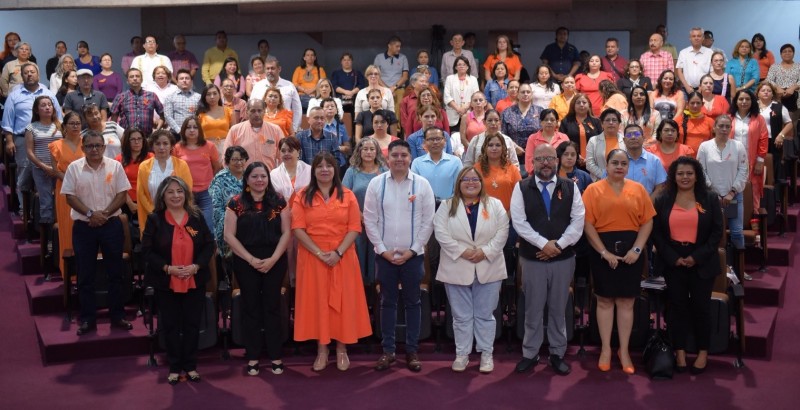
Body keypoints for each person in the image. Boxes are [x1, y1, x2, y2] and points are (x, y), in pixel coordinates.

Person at [292, 152, 372, 372]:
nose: (324, 169)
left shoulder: (348, 195)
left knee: (342, 304)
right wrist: (320, 253)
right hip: (312, 258)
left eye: (329, 166)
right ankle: (322, 350)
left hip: (343, 257)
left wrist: (337, 252)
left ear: (336, 170)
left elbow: (354, 227)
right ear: (314, 170)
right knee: (318, 303)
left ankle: (341, 349)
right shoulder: (302, 196)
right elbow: (297, 228)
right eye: (320, 166)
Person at [511, 143, 585, 375]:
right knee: (532, 309)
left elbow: (578, 221)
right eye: (540, 159)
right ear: (532, 162)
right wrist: (544, 244)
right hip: (533, 259)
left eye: (550, 158)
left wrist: (558, 246)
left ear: (557, 161)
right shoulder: (521, 187)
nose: (545, 163)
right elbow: (519, 222)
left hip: (563, 259)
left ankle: (557, 353)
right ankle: (530, 353)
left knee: (558, 309)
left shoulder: (570, 187)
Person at [363, 140, 435, 372]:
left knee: (413, 302)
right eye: (395, 155)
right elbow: (369, 220)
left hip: (413, 256)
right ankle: (388, 350)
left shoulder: (422, 184)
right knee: (387, 302)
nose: (399, 159)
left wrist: (413, 250)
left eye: (404, 155)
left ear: (410, 158)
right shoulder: (376, 184)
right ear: (387, 159)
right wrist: (382, 249)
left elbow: (428, 221)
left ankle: (412, 350)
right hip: (384, 256)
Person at [582, 148, 656, 374]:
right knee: (604, 300)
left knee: (626, 302)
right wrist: (604, 252)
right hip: (601, 250)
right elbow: (587, 224)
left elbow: (647, 222)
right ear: (606, 165)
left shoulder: (638, 189)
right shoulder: (593, 190)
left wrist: (637, 249)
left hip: (631, 252)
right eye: (615, 162)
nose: (619, 167)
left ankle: (624, 351)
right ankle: (605, 349)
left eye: (624, 163)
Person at [652, 156, 724, 375]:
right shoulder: (663, 199)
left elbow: (717, 232)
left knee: (702, 308)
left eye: (689, 173)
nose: (685, 177)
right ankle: (680, 351)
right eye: (680, 173)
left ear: (697, 176)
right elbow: (656, 233)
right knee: (677, 307)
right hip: (673, 260)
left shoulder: (709, 198)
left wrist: (696, 257)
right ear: (673, 176)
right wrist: (672, 257)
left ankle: (703, 352)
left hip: (702, 260)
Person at [434, 166, 509, 373]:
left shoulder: (495, 204)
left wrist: (486, 251)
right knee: (461, 316)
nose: (471, 183)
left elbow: (503, 231)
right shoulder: (447, 205)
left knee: (485, 315)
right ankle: (462, 354)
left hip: (489, 265)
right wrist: (462, 251)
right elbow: (440, 233)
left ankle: (486, 354)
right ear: (458, 183)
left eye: (475, 179)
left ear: (481, 183)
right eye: (465, 179)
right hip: (456, 265)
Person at [142, 176, 214, 385]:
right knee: (171, 325)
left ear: (186, 194)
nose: (176, 195)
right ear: (163, 196)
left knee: (192, 324)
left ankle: (190, 365)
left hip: (194, 279)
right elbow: (147, 251)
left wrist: (196, 266)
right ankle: (174, 366)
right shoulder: (155, 219)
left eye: (180, 191)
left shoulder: (196, 216)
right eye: (171, 192)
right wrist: (168, 269)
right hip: (166, 281)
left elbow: (209, 244)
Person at [61, 130, 132, 336]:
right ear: (83, 148)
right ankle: (87, 319)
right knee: (85, 275)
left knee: (115, 273)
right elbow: (70, 197)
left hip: (111, 225)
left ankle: (117, 315)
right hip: (84, 227)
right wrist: (91, 214)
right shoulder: (74, 168)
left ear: (104, 147)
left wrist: (104, 214)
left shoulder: (115, 166)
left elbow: (122, 194)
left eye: (98, 145)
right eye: (90, 146)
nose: (94, 149)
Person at [224, 161, 290, 376]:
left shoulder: (278, 201)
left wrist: (273, 259)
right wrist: (251, 259)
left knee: (272, 307)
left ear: (268, 179)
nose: (259, 180)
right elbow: (228, 236)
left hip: (275, 259)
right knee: (250, 307)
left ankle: (275, 355)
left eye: (263, 176)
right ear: (247, 179)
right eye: (254, 176)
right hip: (245, 261)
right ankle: (252, 355)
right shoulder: (236, 203)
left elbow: (287, 233)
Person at [3, 63, 62, 213]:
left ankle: (52, 212)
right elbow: (7, 120)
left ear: (38, 74)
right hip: (23, 139)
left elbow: (59, 118)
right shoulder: (14, 95)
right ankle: (25, 210)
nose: (29, 74)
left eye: (32, 72)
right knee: (25, 174)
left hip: (49, 139)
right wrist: (9, 140)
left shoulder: (48, 93)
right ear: (22, 76)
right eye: (26, 72)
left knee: (51, 174)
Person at [696, 115, 748, 253]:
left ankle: (739, 264)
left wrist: (732, 192)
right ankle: (714, 264)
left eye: (727, 126)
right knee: (710, 232)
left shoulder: (738, 146)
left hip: (733, 197)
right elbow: (700, 171)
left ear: (731, 129)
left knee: (736, 232)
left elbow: (743, 170)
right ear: (714, 128)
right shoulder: (704, 146)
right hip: (710, 197)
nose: (724, 129)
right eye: (721, 126)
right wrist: (713, 193)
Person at [343, 138, 387, 284]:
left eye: (372, 149)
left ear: (377, 152)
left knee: (377, 256)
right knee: (358, 255)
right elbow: (344, 196)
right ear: (359, 151)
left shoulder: (384, 171)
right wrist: (360, 215)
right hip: (357, 222)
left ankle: (376, 290)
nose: (368, 152)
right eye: (365, 149)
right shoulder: (352, 171)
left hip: (380, 222)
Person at [25, 96, 62, 254]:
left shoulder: (60, 125)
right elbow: (29, 152)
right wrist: (44, 166)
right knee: (46, 204)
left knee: (61, 202)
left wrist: (57, 168)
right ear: (36, 109)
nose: (47, 107)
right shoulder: (31, 127)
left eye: (49, 105)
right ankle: (48, 242)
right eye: (43, 105)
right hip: (41, 169)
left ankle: (61, 238)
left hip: (59, 169)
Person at [137, 129, 193, 235]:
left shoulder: (182, 165)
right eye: (158, 144)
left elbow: (187, 190)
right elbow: (141, 193)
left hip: (177, 216)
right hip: (152, 217)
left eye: (165, 143)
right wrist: (155, 213)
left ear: (171, 146)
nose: (161, 147)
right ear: (152, 146)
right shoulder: (144, 167)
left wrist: (172, 213)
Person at [173, 116, 222, 233]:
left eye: (195, 127)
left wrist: (208, 180)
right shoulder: (177, 148)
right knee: (190, 228)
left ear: (199, 130)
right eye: (188, 127)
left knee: (208, 226)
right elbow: (174, 169)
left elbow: (216, 166)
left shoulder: (209, 146)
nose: (192, 130)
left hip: (206, 192)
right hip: (186, 193)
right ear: (183, 130)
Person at [48, 112, 83, 276]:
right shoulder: (56, 146)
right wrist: (72, 183)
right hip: (65, 190)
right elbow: (56, 171)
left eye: (78, 123)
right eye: (72, 123)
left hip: (86, 189)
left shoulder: (87, 143)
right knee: (68, 228)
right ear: (64, 127)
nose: (75, 126)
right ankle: (70, 272)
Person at [730, 89, 769, 211]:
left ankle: (753, 216)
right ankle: (733, 219)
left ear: (752, 101)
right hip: (731, 161)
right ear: (736, 101)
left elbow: (763, 139)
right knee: (732, 189)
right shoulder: (729, 118)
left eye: (747, 99)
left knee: (752, 189)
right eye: (741, 99)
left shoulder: (759, 119)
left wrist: (760, 161)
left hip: (751, 161)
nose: (744, 101)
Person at [223, 98, 283, 170]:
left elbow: (282, 156)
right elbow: (226, 156)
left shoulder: (275, 130)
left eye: (259, 111)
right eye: (253, 111)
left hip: (268, 175)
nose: (256, 114)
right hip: (242, 176)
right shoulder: (235, 130)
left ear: (264, 111)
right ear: (247, 112)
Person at [209, 146, 248, 255]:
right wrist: (228, 224)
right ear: (228, 161)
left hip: (248, 223)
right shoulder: (220, 178)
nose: (239, 162)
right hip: (226, 223)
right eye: (234, 159)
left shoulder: (250, 176)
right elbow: (216, 206)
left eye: (241, 159)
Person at [250, 57, 303, 133]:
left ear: (279, 69)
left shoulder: (289, 86)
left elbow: (297, 109)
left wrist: (294, 129)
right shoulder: (258, 86)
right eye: (267, 69)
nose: (270, 71)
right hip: (262, 130)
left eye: (272, 68)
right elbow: (251, 108)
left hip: (285, 130)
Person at [756, 81, 794, 185]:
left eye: (769, 91)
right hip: (755, 141)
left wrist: (781, 135)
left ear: (772, 94)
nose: (766, 92)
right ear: (758, 93)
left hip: (772, 142)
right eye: (763, 90)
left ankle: (772, 190)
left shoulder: (779, 107)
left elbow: (789, 123)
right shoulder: (752, 106)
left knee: (773, 166)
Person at [110, 68, 164, 137]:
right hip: (126, 137)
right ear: (127, 81)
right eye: (131, 77)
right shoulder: (121, 97)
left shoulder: (152, 96)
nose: (135, 78)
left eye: (137, 76)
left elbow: (163, 115)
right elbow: (113, 120)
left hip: (147, 137)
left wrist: (157, 129)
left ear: (142, 79)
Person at [502, 83, 543, 169]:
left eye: (528, 92)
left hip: (536, 155)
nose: (525, 94)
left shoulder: (540, 111)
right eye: (523, 92)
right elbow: (502, 134)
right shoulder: (507, 112)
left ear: (532, 94)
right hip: (513, 155)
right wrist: (514, 146)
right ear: (517, 94)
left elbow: (545, 132)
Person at [115, 127, 152, 223]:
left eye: (139, 139)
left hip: (149, 202)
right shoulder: (118, 160)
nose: (137, 142)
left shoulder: (152, 158)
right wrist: (130, 203)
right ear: (127, 141)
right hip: (127, 202)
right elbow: (118, 185)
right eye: (133, 139)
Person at [621, 123, 668, 198]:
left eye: (637, 134)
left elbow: (660, 187)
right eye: (629, 135)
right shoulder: (617, 161)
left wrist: (648, 203)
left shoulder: (654, 161)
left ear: (643, 138)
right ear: (624, 140)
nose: (633, 137)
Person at [525, 109, 569, 174]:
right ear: (541, 122)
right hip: (537, 175)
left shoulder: (564, 138)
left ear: (557, 122)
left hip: (560, 175)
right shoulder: (532, 138)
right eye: (546, 120)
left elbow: (567, 159)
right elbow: (529, 162)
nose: (549, 122)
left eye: (552, 120)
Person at [671, 91, 715, 155]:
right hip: (683, 157)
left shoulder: (710, 121)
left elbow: (714, 141)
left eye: (698, 103)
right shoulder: (678, 120)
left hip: (703, 157)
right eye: (692, 103)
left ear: (702, 104)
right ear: (687, 104)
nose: (695, 106)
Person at [585, 108, 624, 181]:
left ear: (619, 123)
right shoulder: (593, 141)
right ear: (602, 124)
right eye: (607, 120)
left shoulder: (625, 140)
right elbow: (589, 164)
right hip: (600, 181)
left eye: (614, 120)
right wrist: (605, 175)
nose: (611, 123)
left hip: (622, 180)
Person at [374, 36, 409, 115]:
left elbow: (405, 77)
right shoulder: (379, 57)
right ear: (389, 46)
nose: (399, 49)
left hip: (398, 89)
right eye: (397, 46)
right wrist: (388, 90)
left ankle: (397, 124)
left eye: (400, 46)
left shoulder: (403, 58)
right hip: (382, 89)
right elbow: (376, 76)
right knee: (381, 109)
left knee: (399, 108)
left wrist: (393, 88)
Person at [767, 44, 800, 128]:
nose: (787, 53)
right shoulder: (774, 67)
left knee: (793, 124)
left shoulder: (798, 66)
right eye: (784, 51)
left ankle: (793, 137)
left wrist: (792, 88)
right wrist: (778, 88)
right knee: (777, 123)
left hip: (795, 99)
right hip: (778, 97)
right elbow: (769, 80)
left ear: (793, 53)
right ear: (781, 54)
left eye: (790, 51)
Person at [443, 56, 480, 131]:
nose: (462, 66)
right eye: (459, 64)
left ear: (467, 67)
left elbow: (476, 97)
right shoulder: (450, 78)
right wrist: (458, 109)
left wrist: (465, 108)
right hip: (453, 115)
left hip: (468, 113)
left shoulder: (473, 79)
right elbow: (447, 97)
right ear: (455, 67)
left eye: (464, 64)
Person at [197, 84, 233, 156]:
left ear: (219, 95)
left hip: (225, 146)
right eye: (208, 94)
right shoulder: (200, 113)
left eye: (215, 93)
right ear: (204, 97)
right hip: (206, 146)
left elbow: (234, 132)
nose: (212, 97)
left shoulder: (229, 111)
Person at [675, 27, 713, 94]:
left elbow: (712, 72)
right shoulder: (683, 53)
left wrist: (702, 87)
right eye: (694, 36)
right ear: (690, 38)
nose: (696, 38)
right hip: (686, 89)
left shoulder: (710, 53)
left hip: (705, 89)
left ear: (703, 38)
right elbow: (679, 71)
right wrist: (687, 87)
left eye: (699, 36)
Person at [164, 69, 201, 135]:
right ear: (177, 82)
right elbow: (168, 116)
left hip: (194, 133)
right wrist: (179, 130)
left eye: (187, 78)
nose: (184, 80)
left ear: (191, 82)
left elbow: (201, 116)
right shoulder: (170, 97)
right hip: (176, 134)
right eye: (181, 78)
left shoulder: (198, 97)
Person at [330, 52, 367, 117]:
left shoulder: (357, 73)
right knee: (340, 118)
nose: (346, 62)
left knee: (354, 119)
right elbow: (333, 85)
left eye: (349, 60)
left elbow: (362, 85)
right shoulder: (336, 73)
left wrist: (352, 92)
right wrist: (345, 92)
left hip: (355, 102)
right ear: (341, 62)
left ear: (352, 61)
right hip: (339, 101)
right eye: (344, 60)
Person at [321, 98, 350, 167]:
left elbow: (348, 148)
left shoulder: (341, 126)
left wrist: (338, 148)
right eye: (327, 106)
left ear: (336, 111)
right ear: (321, 111)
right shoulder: (319, 126)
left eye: (332, 106)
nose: (330, 108)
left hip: (339, 163)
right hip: (322, 163)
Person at [400, 73, 430, 138]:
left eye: (426, 82)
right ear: (413, 84)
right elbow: (404, 121)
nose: (425, 84)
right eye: (422, 81)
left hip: (431, 133)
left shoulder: (432, 99)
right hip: (412, 134)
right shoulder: (406, 101)